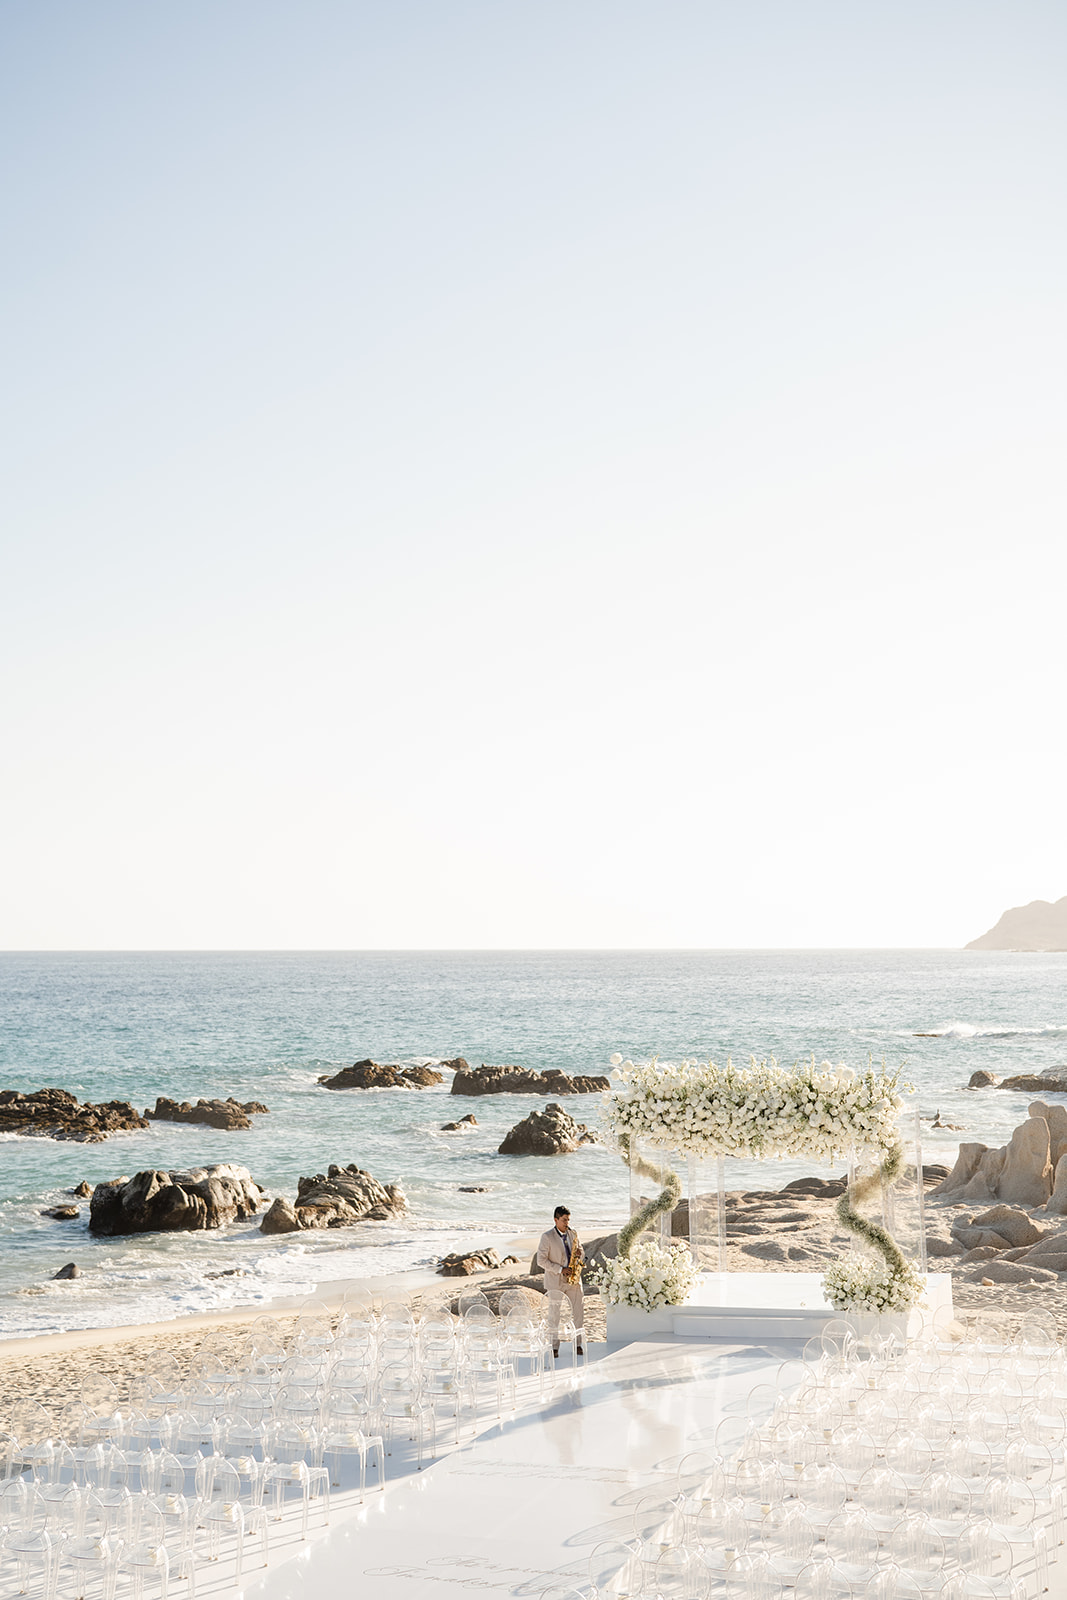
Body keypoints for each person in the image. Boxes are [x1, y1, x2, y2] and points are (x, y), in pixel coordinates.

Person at [537, 1204, 584, 1357]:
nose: (567, 1223)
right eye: (564, 1220)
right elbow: (540, 1261)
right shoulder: (547, 1237)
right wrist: (560, 1269)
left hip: (573, 1280)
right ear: (555, 1220)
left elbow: (582, 1251)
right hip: (556, 1280)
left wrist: (579, 1254)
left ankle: (578, 1344)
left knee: (578, 1312)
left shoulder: (572, 1234)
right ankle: (554, 1347)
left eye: (568, 1220)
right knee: (554, 1315)